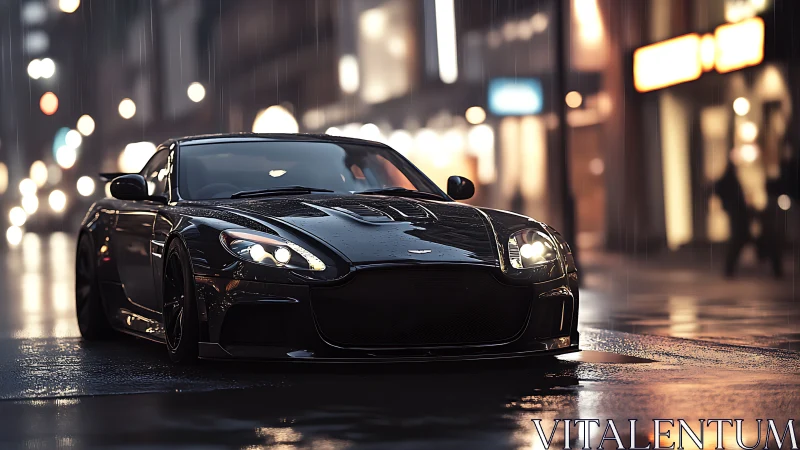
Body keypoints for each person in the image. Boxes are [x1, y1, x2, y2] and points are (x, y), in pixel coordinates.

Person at [714, 162, 751, 278]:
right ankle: (729, 268)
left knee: (739, 239)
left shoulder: (730, 180)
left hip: (737, 212)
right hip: (736, 212)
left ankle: (730, 268)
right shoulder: (729, 180)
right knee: (738, 239)